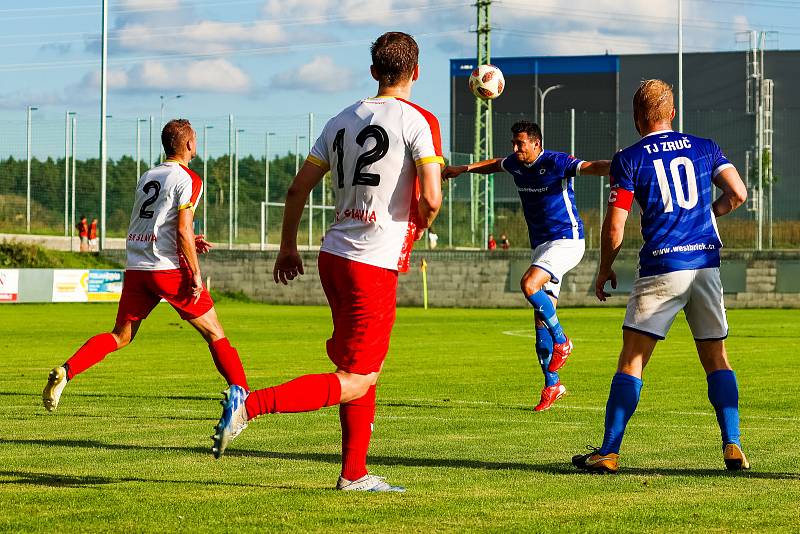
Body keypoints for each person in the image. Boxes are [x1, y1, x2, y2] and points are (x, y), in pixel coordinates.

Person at [212, 32, 443, 492]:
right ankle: (251, 405)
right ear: (416, 72)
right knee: (357, 378)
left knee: (362, 368)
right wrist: (415, 226)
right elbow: (432, 200)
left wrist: (287, 247)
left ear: (375, 71)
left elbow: (297, 189)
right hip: (371, 263)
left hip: (333, 255)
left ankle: (353, 473)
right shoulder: (419, 121)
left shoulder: (339, 119)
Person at [571, 79, 749, 474]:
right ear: (672, 114)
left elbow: (615, 226)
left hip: (661, 268)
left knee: (632, 360)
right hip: (705, 265)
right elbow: (738, 193)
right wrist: (708, 214)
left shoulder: (629, 158)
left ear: (637, 119)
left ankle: (610, 451)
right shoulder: (705, 147)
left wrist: (603, 268)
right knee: (717, 358)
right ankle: (733, 443)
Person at [42, 119, 250, 415]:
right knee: (215, 333)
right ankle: (244, 396)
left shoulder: (148, 175)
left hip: (138, 268)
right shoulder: (190, 178)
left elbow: (158, 223)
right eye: (196, 140)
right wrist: (196, 274)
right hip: (167, 269)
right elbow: (181, 229)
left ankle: (66, 371)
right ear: (189, 145)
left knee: (120, 336)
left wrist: (191, 239)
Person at [443, 121, 610, 411]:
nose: (515, 148)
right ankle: (552, 385)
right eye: (514, 143)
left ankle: (563, 341)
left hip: (567, 240)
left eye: (520, 143)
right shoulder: (516, 164)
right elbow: (495, 164)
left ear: (536, 143)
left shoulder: (556, 161)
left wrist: (618, 165)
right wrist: (462, 170)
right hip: (542, 247)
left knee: (529, 284)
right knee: (540, 327)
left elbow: (592, 166)